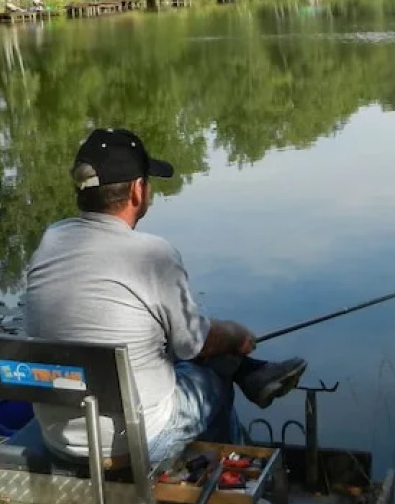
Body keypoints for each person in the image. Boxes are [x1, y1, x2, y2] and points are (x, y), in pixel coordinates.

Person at [24, 127, 306, 465]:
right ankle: (226, 491)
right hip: (138, 443)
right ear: (138, 190)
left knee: (170, 343)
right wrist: (236, 334)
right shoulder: (153, 255)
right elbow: (196, 345)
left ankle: (252, 375)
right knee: (212, 379)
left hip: (60, 441)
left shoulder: (51, 241)